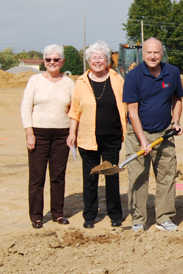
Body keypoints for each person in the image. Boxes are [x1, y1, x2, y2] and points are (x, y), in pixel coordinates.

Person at [122, 37, 183, 232]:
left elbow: (178, 99)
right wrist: (142, 141)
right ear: (143, 54)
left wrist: (176, 121)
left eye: (156, 52)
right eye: (148, 52)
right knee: (138, 177)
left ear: (162, 53)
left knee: (166, 176)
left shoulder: (172, 72)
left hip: (164, 133)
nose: (152, 56)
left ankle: (164, 218)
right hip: (137, 134)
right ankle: (138, 220)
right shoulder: (133, 76)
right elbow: (132, 112)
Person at [67, 41, 127, 229]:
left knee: (111, 177)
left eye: (101, 57)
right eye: (94, 57)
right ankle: (90, 215)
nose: (97, 61)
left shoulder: (117, 79)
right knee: (90, 178)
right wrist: (71, 133)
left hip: (112, 138)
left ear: (108, 60)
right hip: (87, 138)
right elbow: (74, 111)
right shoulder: (81, 82)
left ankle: (115, 214)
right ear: (88, 60)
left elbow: (127, 105)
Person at [20, 44, 74, 229]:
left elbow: (74, 109)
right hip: (39, 134)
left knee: (58, 176)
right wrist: (29, 133)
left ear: (62, 61)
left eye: (56, 59)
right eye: (49, 59)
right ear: (44, 61)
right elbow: (25, 108)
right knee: (37, 178)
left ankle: (58, 213)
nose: (52, 62)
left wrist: (72, 132)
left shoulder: (68, 83)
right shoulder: (34, 81)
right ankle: (36, 216)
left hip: (61, 134)